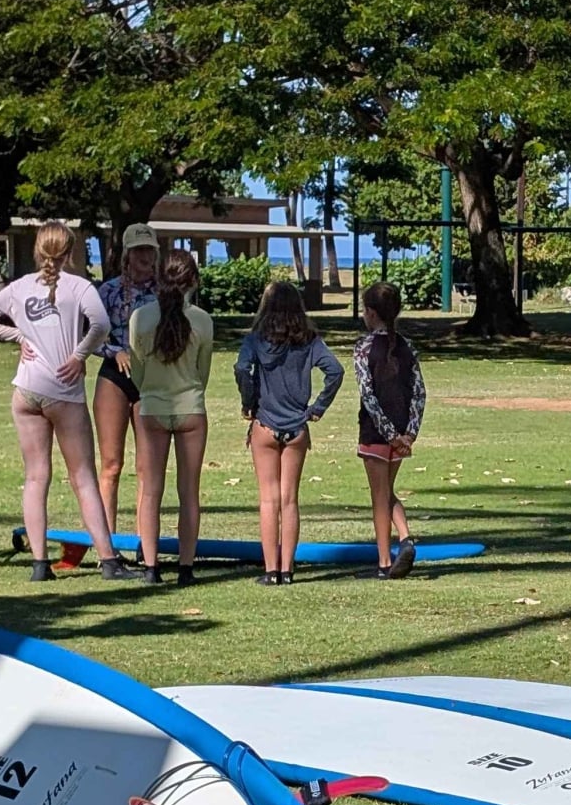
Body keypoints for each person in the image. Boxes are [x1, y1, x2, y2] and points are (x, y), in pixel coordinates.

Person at [0, 221, 140, 582]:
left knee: (35, 477)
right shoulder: (79, 287)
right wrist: (79, 356)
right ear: (71, 251)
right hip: (63, 391)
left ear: (37, 249)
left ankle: (40, 564)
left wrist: (18, 335)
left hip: (26, 390)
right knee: (83, 477)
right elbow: (102, 326)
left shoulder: (19, 288)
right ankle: (108, 560)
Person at [56, 223, 162, 570]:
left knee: (148, 469)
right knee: (111, 466)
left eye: (150, 251)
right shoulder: (108, 291)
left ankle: (146, 549)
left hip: (152, 381)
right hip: (115, 377)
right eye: (139, 251)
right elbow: (88, 334)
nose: (145, 258)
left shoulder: (166, 293)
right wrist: (114, 351)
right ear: (127, 255)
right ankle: (109, 550)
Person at [234, 281, 343, 586]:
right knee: (289, 500)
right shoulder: (309, 340)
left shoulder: (256, 339)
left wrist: (249, 402)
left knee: (268, 500)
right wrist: (317, 408)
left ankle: (270, 571)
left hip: (265, 424)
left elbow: (242, 369)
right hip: (297, 427)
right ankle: (288, 569)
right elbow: (335, 371)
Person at [130, 250, 213, 586]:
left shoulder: (140, 318)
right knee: (188, 492)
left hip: (151, 408)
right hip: (190, 406)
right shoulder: (203, 320)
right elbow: (202, 372)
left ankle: (151, 567)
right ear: (193, 279)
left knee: (150, 491)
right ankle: (186, 567)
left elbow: (136, 372)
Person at [353, 281, 426, 580]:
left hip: (375, 434)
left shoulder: (364, 347)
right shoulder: (408, 347)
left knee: (379, 497)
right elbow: (419, 392)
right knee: (387, 492)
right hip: (400, 434)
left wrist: (388, 433)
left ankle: (386, 560)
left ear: (371, 313)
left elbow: (368, 395)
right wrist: (409, 433)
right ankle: (404, 540)